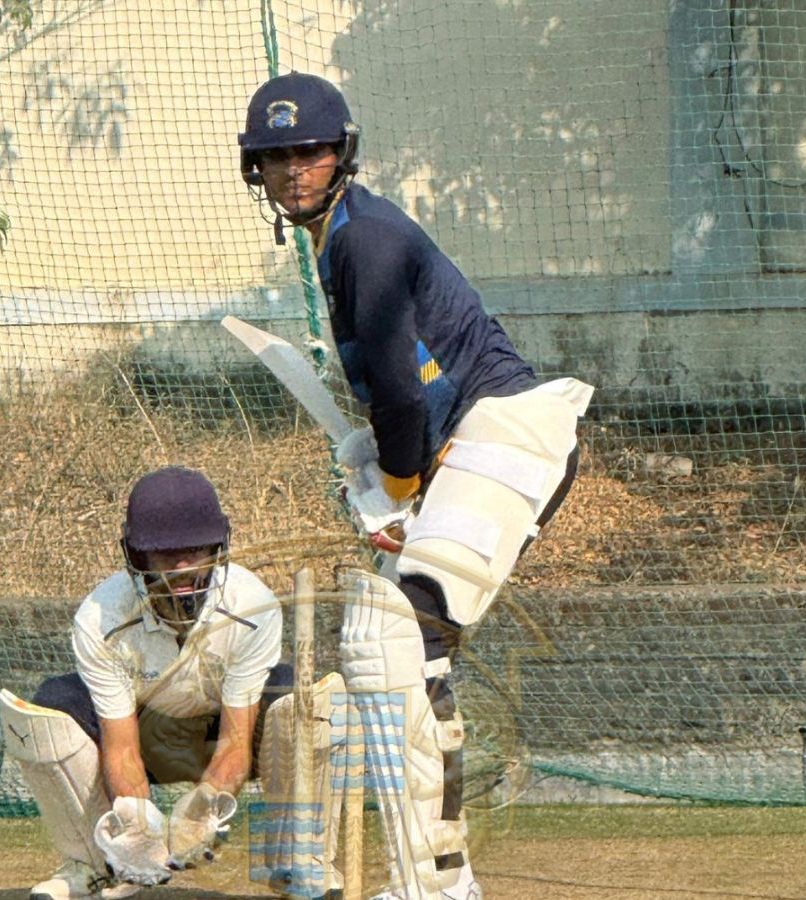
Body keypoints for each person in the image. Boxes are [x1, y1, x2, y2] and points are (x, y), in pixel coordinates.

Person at [238, 73, 594, 900]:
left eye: (310, 150)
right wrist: (394, 464)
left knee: (397, 642)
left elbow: (404, 392)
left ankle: (433, 887)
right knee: (381, 644)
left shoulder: (363, 242)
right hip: (469, 442)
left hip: (510, 433)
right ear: (255, 172)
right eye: (274, 155)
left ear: (342, 154)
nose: (294, 168)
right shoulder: (342, 238)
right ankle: (436, 879)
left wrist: (396, 487)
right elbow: (408, 394)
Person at [0, 466, 324, 900]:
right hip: (144, 734)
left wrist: (205, 807)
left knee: (301, 700)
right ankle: (96, 867)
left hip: (216, 736)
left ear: (218, 547)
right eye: (166, 553)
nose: (184, 567)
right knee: (50, 708)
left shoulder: (253, 607)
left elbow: (235, 740)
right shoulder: (102, 618)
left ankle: (296, 863)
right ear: (137, 556)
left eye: (196, 549)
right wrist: (137, 825)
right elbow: (122, 745)